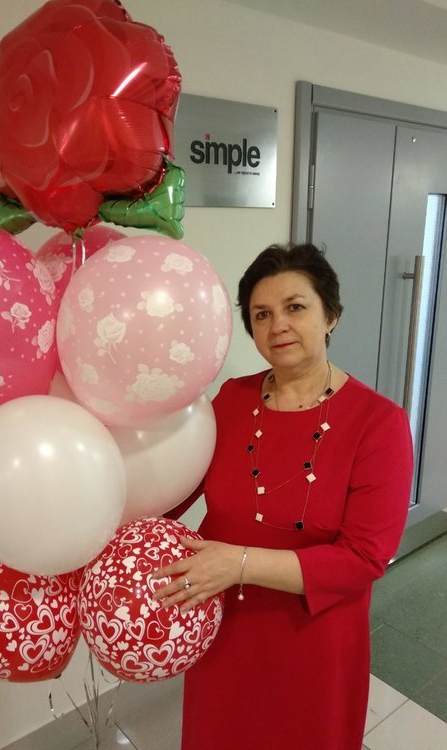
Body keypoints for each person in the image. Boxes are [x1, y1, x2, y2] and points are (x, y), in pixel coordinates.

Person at [152, 243, 414, 750]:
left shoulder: (378, 423)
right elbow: (175, 491)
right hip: (223, 628)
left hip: (313, 641)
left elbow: (364, 558)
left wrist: (238, 564)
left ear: (331, 315)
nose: (278, 326)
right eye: (262, 314)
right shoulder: (232, 399)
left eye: (295, 307)